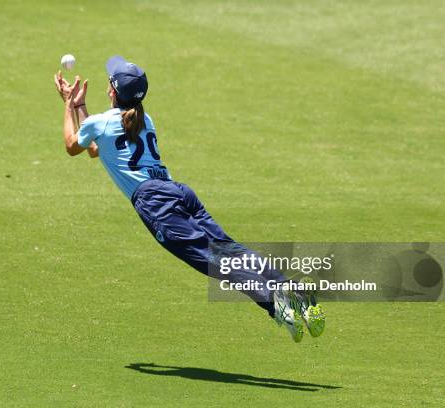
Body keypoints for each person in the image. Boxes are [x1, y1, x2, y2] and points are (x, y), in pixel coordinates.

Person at [53, 55, 325, 342]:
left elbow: (75, 146)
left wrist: (70, 104)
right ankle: (294, 291)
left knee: (212, 260)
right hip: (178, 192)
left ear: (112, 90)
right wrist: (81, 107)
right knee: (229, 249)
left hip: (155, 204)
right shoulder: (145, 120)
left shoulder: (101, 123)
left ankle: (274, 301)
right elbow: (97, 149)